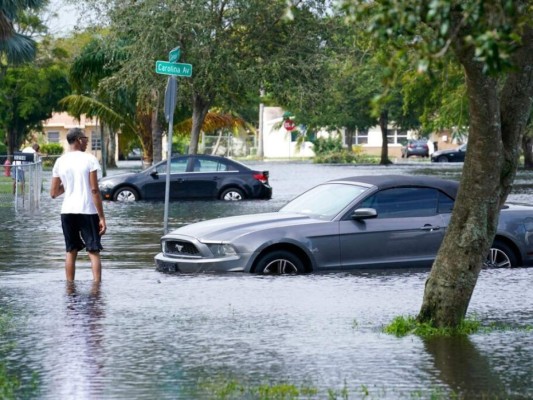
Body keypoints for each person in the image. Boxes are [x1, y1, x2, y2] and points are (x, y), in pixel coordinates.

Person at [50, 128, 107, 282]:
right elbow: (94, 189)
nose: (87, 141)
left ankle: (70, 287)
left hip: (67, 211)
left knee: (71, 251)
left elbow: (54, 192)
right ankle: (97, 287)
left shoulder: (60, 161)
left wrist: (69, 185)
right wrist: (101, 217)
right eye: (85, 138)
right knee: (93, 250)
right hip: (87, 210)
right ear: (77, 140)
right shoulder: (90, 159)